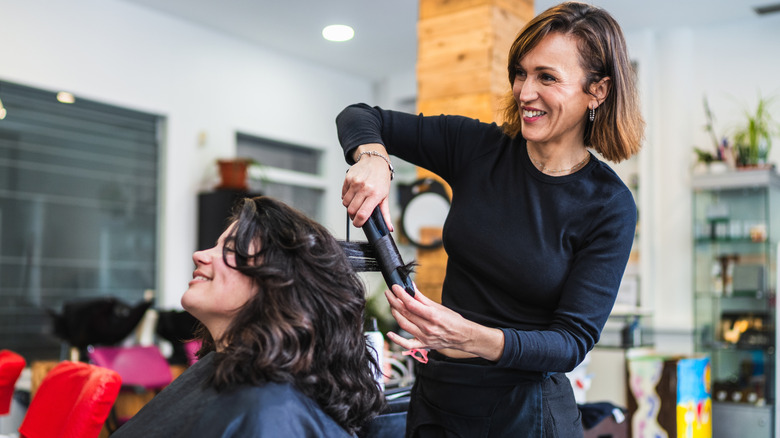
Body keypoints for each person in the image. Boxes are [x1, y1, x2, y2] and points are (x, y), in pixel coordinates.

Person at [336, 2, 644, 437]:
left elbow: (570, 342)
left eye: (547, 77)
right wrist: (373, 158)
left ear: (597, 91)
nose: (524, 91)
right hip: (437, 399)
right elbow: (359, 116)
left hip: (525, 414)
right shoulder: (478, 148)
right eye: (521, 72)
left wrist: (469, 337)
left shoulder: (609, 204)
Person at [113, 196, 385, 437]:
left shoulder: (272, 412)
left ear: (279, 285)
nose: (199, 255)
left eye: (229, 250)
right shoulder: (226, 374)